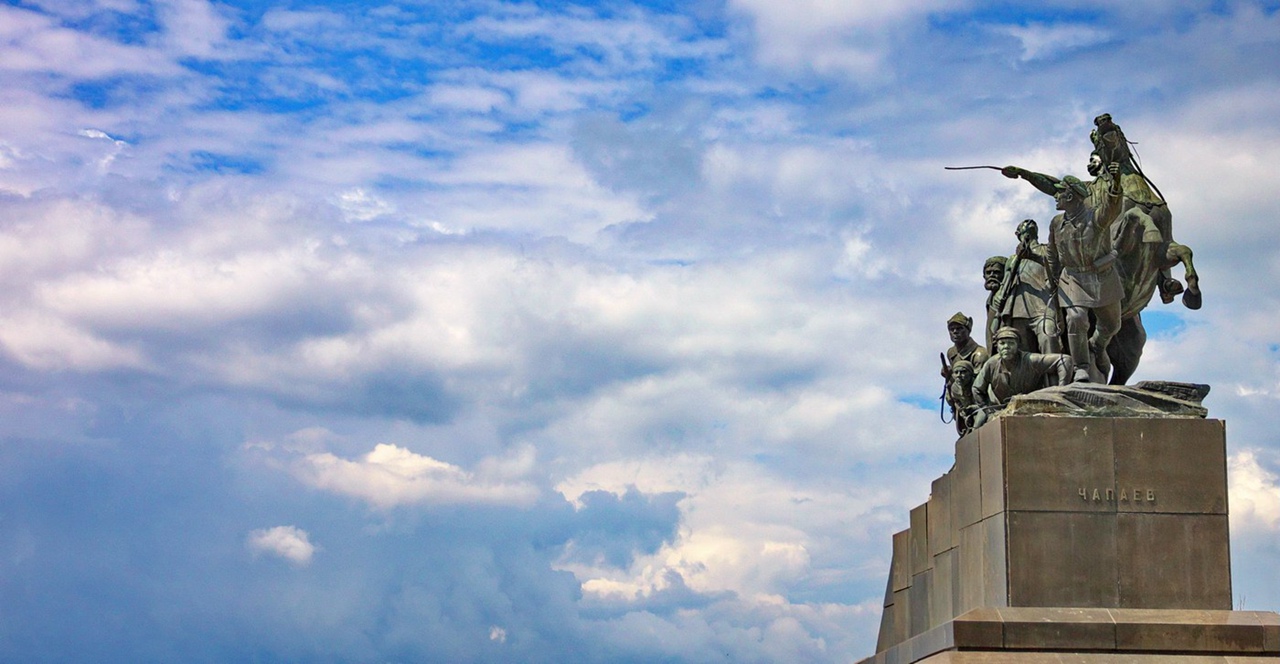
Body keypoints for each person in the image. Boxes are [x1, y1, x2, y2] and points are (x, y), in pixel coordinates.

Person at [1003, 163, 1125, 382]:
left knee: (1112, 325)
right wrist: (1052, 281)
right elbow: (1051, 255)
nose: (1056, 196)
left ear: (1071, 196)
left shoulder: (1095, 217)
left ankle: (1097, 344)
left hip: (1102, 278)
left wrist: (1115, 181)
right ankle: (1082, 368)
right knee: (1076, 318)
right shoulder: (1056, 223)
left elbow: (1113, 206)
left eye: (1060, 192)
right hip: (1073, 279)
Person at [990, 219, 1061, 355]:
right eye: (1023, 226)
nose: (1028, 223)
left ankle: (1054, 375)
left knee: (1048, 338)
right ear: (1018, 234)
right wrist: (999, 296)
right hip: (1018, 311)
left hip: (1043, 307)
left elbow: (1054, 270)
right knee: (1023, 353)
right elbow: (1006, 282)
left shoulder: (1047, 250)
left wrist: (1032, 256)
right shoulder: (1013, 259)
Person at [972, 326, 1071, 417]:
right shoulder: (991, 364)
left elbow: (1064, 360)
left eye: (1011, 343)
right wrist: (989, 412)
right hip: (1002, 412)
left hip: (1033, 411)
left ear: (1018, 345)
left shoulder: (1030, 360)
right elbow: (976, 389)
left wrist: (1060, 392)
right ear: (997, 347)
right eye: (1002, 343)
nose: (1006, 346)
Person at [944, 359, 978, 435]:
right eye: (956, 372)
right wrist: (961, 410)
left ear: (970, 373)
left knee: (977, 426)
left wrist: (974, 408)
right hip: (967, 413)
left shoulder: (977, 384)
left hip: (981, 410)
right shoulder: (954, 388)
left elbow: (986, 403)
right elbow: (956, 401)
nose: (959, 375)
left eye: (963, 372)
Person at [981, 256, 1007, 351]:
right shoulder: (990, 299)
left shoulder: (1009, 296)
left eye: (997, 272)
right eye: (988, 273)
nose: (992, 275)